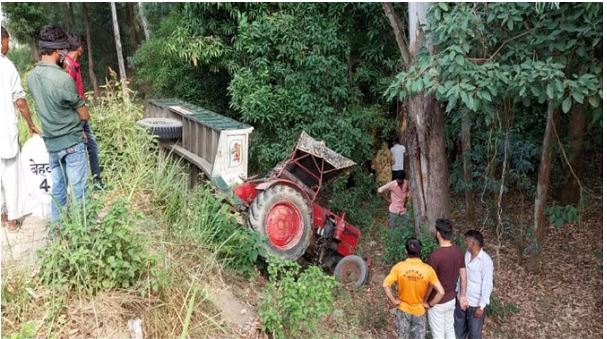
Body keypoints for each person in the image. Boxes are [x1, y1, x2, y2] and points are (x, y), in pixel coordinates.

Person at [27, 25, 90, 223]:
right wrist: (82, 123)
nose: (64, 54)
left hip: (52, 145)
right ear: (57, 50)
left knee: (58, 189)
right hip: (72, 143)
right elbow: (83, 112)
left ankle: (58, 233)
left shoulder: (31, 78)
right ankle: (84, 234)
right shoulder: (62, 78)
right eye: (63, 50)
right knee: (80, 192)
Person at [0, 26, 41, 231]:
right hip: (4, 132)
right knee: (10, 174)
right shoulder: (6, 66)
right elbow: (20, 100)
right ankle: (12, 219)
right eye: (7, 41)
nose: (8, 45)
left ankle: (2, 212)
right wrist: (31, 124)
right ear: (1, 40)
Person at [383, 238, 445, 339]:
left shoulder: (399, 267)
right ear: (420, 251)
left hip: (403, 309)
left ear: (405, 251)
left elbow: (385, 285)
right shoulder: (428, 270)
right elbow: (441, 292)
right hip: (419, 310)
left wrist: (394, 301)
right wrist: (429, 304)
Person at [64, 33, 103, 189]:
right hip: (76, 116)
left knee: (92, 146)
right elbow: (70, 95)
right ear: (79, 48)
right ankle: (83, 186)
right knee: (80, 149)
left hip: (80, 114)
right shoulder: (68, 66)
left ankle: (96, 180)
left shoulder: (72, 64)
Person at [426, 219, 468, 339]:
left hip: (437, 301)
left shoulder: (435, 256)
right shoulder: (458, 251)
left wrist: (426, 300)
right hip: (451, 299)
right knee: (450, 330)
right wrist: (462, 295)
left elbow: (430, 284)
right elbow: (463, 275)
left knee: (438, 334)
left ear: (438, 233)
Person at [454, 230, 494, 339]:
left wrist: (481, 306)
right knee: (458, 333)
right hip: (462, 301)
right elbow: (462, 275)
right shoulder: (467, 254)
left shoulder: (486, 261)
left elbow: (487, 285)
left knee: (474, 335)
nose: (465, 243)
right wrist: (459, 295)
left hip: (475, 304)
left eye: (466, 241)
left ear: (473, 243)